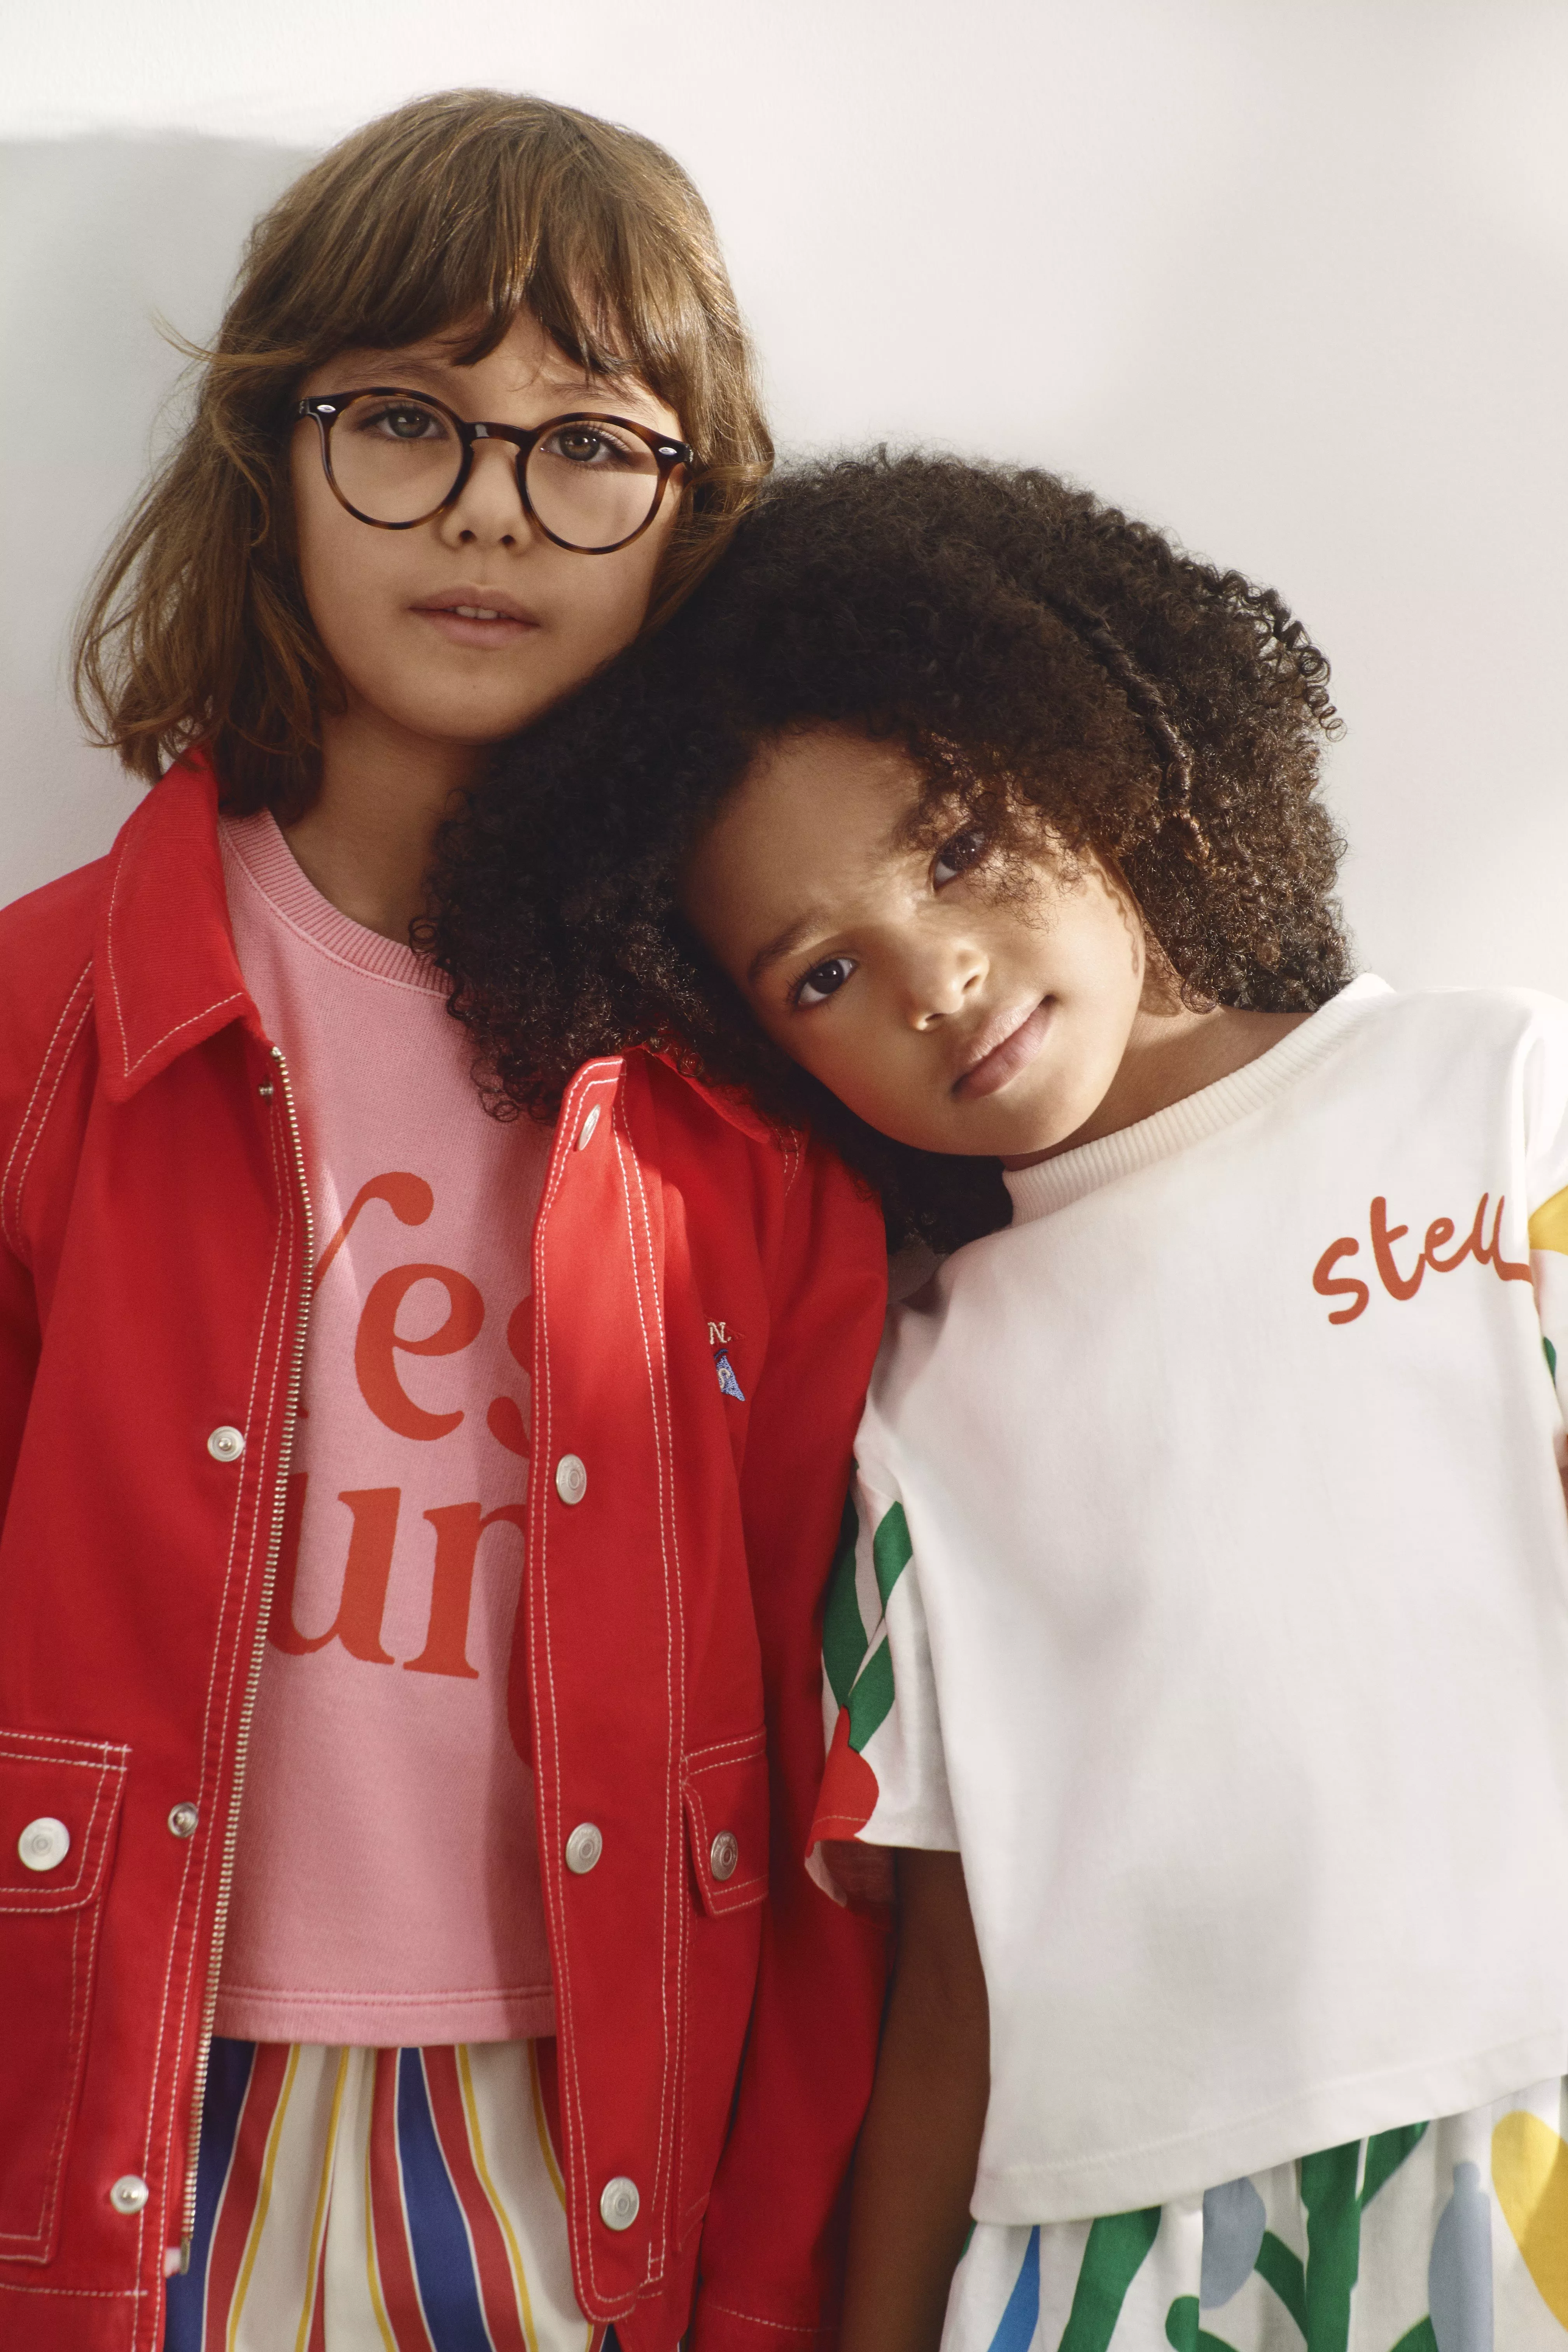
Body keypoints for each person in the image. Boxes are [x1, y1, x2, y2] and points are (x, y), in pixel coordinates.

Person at [429, 452, 1568, 2352]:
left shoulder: (1488, 1105)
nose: (936, 981)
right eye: (821, 975)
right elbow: (948, 1963)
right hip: (1114, 2251)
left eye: (954, 847)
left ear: (1102, 744)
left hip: (1511, 2125)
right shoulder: (919, 1390)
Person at [0, 96, 890, 2352]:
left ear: (691, 516)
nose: (491, 509)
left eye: (590, 441)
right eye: (407, 420)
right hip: (111, 2104)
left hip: (565, 2134)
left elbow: (825, 1786)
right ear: (270, 459)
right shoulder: (46, 1023)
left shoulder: (762, 1105)